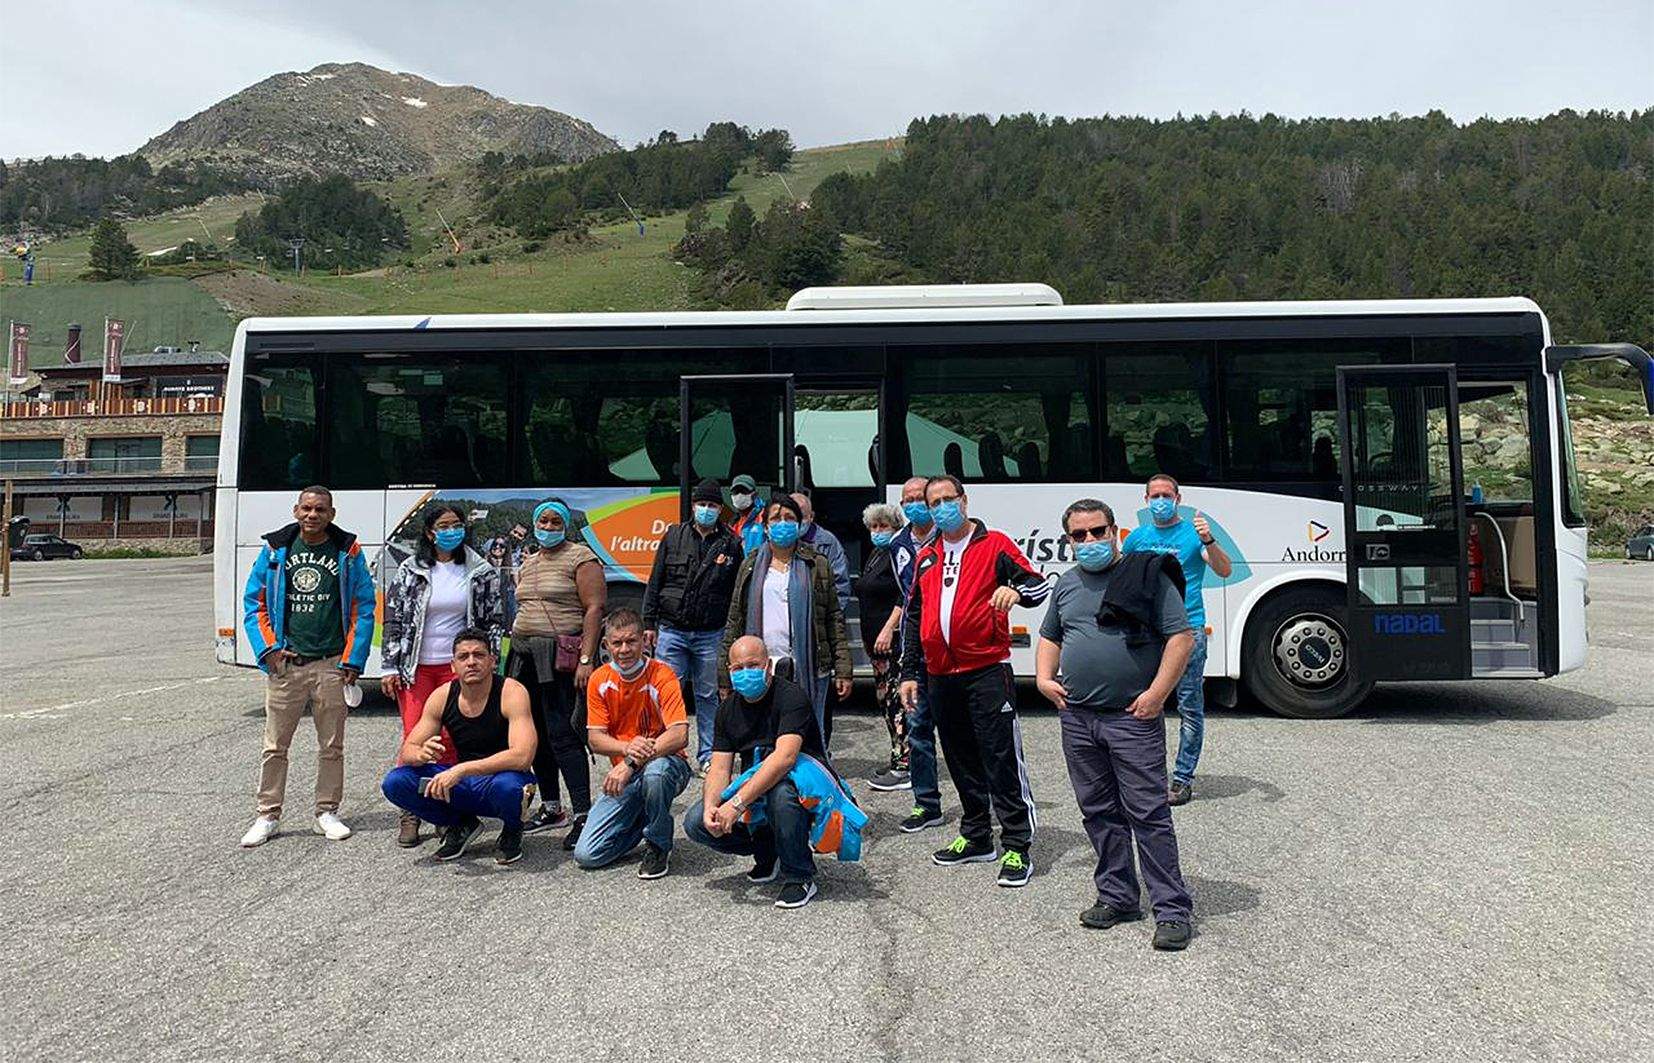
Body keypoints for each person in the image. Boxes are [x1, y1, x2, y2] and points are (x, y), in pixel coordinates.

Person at [1036, 499, 1195, 950]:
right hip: (1079, 719)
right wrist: (1046, 680)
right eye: (1079, 535)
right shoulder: (1066, 585)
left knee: (1148, 814)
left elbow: (1180, 638)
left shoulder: (1146, 576)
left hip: (1131, 718)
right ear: (1068, 540)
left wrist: (1157, 694)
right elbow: (1051, 635)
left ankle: (1171, 909)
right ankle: (1118, 895)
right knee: (1099, 812)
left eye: (1097, 531)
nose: (1089, 541)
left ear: (1115, 531)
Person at [898, 475, 1049, 888]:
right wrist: (910, 672)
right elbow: (914, 616)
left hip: (986, 670)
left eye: (949, 499)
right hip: (940, 675)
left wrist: (1015, 592)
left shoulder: (994, 543)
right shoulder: (926, 555)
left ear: (964, 501)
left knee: (999, 756)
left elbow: (1038, 587)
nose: (943, 507)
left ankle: (1017, 843)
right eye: (935, 502)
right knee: (960, 756)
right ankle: (977, 834)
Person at [239, 486, 376, 848]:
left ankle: (326, 812)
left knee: (332, 745)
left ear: (332, 514)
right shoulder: (275, 550)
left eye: (320, 509)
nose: (312, 515)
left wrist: (354, 659)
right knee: (274, 746)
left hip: (331, 664)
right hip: (287, 665)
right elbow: (255, 603)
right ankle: (267, 815)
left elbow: (364, 607)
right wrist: (267, 650)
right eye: (306, 508)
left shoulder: (347, 551)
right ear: (296, 510)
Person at [380, 503, 505, 847]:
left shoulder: (481, 570)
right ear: (430, 532)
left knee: (452, 738)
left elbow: (494, 619)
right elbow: (394, 618)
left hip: (460, 667)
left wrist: (491, 661)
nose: (452, 530)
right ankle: (411, 812)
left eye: (457, 524)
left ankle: (446, 810)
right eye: (444, 525)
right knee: (415, 738)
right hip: (416, 666)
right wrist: (390, 664)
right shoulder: (411, 568)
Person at [683, 635, 829, 909]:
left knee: (781, 795)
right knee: (696, 822)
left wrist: (736, 804)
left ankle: (800, 875)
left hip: (803, 784)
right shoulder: (726, 710)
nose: (745, 673)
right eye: (738, 668)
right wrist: (712, 807)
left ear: (768, 668)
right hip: (756, 788)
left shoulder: (791, 697)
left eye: (753, 665)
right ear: (729, 671)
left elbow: (785, 759)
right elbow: (720, 768)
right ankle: (769, 851)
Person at [381, 629, 539, 865]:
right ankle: (461, 824)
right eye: (463, 657)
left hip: (503, 779)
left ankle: (512, 829)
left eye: (479, 655)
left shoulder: (511, 692)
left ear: (492, 661)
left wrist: (461, 770)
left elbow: (523, 757)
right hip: (464, 781)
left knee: (510, 789)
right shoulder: (442, 696)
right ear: (453, 665)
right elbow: (408, 749)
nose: (472, 662)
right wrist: (420, 755)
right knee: (396, 782)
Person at [1122, 474, 1232, 806]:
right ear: (1145, 500)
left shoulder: (1193, 533)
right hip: (1147, 632)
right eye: (1154, 495)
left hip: (1188, 631)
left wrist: (1210, 540)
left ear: (1178, 498)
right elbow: (1122, 581)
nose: (1160, 500)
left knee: (1189, 706)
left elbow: (1224, 570)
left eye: (1166, 494)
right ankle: (1145, 775)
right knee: (1142, 704)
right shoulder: (1137, 538)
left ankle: (1182, 778)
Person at [507, 498, 604, 849]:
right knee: (535, 735)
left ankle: (582, 814)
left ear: (565, 524)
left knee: (563, 733)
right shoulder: (530, 560)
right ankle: (552, 807)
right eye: (542, 521)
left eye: (554, 522)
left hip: (560, 659)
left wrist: (586, 657)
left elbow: (594, 607)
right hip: (524, 657)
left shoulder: (581, 557)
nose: (548, 528)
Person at [721, 493, 852, 745]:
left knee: (807, 734)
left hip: (806, 665)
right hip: (761, 667)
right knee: (765, 732)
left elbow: (833, 618)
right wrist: (723, 674)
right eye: (776, 518)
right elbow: (735, 618)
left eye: (789, 518)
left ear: (800, 524)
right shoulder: (750, 565)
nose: (783, 523)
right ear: (766, 526)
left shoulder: (817, 564)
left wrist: (843, 669)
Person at [572, 608, 692, 877]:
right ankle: (645, 820)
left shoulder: (663, 674)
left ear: (645, 641)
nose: (624, 649)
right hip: (625, 773)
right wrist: (626, 748)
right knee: (587, 854)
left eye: (631, 641)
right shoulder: (599, 679)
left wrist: (630, 761)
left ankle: (659, 845)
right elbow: (596, 739)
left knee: (656, 774)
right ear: (606, 645)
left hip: (666, 764)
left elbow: (678, 735)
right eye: (617, 643)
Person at [642, 477, 742, 770]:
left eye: (712, 505)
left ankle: (709, 755)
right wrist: (649, 622)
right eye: (702, 504)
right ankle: (663, 749)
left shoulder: (732, 543)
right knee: (666, 692)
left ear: (720, 509)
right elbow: (655, 580)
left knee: (708, 694)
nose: (706, 509)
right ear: (693, 506)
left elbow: (735, 591)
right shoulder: (674, 536)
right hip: (672, 629)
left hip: (711, 633)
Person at [881, 476, 945, 830]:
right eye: (907, 500)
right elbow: (908, 600)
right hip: (916, 649)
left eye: (920, 498)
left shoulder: (949, 537)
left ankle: (979, 807)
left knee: (962, 733)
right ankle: (926, 804)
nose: (914, 504)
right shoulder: (898, 543)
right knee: (918, 731)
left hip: (950, 649)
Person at [857, 501, 909, 788]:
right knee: (884, 702)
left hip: (892, 642)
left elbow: (905, 594)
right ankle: (896, 756)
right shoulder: (877, 554)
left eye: (883, 526)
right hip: (875, 645)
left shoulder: (898, 554)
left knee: (897, 702)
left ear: (895, 528)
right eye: (874, 527)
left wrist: (890, 628)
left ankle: (905, 766)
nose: (877, 531)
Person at [792, 490, 851, 611]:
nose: (796, 522)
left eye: (801, 517)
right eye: (792, 517)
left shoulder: (828, 543)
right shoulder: (778, 541)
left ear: (811, 516)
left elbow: (840, 587)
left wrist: (830, 621)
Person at [730, 474, 765, 555]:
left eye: (743, 491)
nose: (739, 495)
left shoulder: (764, 517)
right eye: (736, 492)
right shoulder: (733, 523)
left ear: (754, 494)